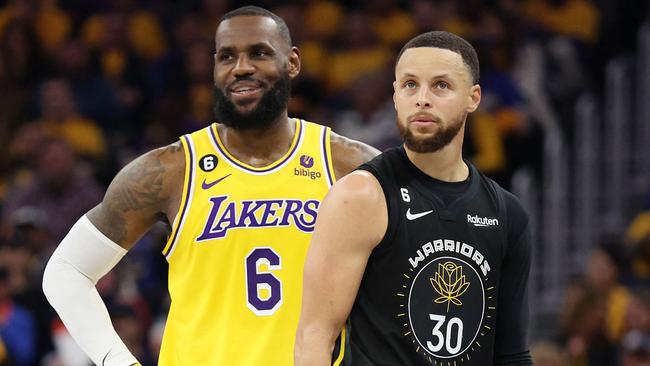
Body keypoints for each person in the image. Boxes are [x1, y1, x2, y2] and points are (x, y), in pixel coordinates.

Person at [42, 6, 379, 366]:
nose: (241, 67)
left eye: (260, 53)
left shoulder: (350, 167)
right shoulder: (170, 171)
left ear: (293, 62)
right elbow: (66, 273)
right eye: (227, 56)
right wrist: (118, 361)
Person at [295, 31, 533, 365]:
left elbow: (511, 354)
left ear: (473, 97)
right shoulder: (362, 194)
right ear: (395, 95)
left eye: (441, 86)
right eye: (410, 84)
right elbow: (315, 335)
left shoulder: (508, 214)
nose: (422, 98)